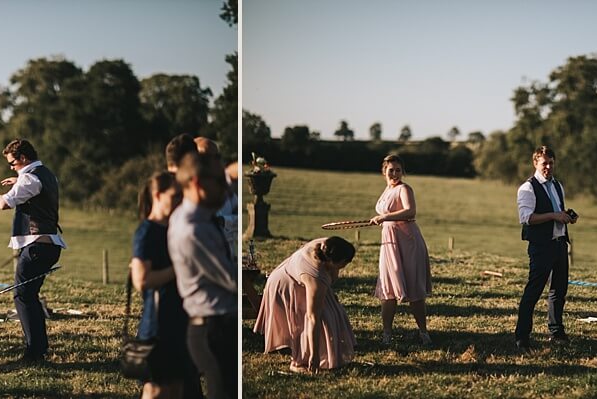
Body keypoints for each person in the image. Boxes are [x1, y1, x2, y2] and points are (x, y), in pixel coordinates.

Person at [0, 139, 66, 363]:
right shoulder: (45, 174)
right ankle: (38, 349)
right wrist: (18, 180)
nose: (11, 167)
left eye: (12, 163)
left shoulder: (29, 177)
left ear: (24, 158)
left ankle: (34, 353)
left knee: (23, 296)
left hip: (37, 246)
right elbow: (37, 189)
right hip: (47, 245)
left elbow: (4, 203)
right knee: (29, 296)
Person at [168, 152, 237, 399]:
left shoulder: (190, 215)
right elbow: (230, 279)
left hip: (210, 323)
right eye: (219, 181)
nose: (226, 189)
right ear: (198, 183)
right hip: (213, 327)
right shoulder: (194, 229)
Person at [128, 171, 202, 399]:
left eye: (183, 196)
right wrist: (179, 268)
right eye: (175, 196)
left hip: (182, 318)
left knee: (178, 389)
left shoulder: (176, 228)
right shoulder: (148, 231)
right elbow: (142, 281)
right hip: (159, 323)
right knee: (157, 390)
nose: (181, 201)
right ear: (158, 195)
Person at [253, 236, 356, 373]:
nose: (346, 265)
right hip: (284, 285)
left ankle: (333, 355)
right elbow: (313, 317)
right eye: (345, 263)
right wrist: (314, 356)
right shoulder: (315, 276)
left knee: (335, 310)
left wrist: (333, 275)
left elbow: (332, 274)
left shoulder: (325, 246)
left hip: (299, 276)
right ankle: (301, 361)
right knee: (317, 318)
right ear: (334, 261)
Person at [514, 146, 576, 350]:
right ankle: (522, 336)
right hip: (541, 246)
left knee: (559, 291)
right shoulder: (527, 188)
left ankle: (557, 332)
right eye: (544, 163)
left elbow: (557, 211)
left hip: (559, 244)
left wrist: (566, 215)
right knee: (533, 291)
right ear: (535, 163)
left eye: (551, 163)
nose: (548, 167)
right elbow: (526, 218)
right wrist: (553, 215)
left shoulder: (558, 185)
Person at [370, 154, 431, 345]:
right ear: (384, 171)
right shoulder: (387, 190)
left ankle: (423, 333)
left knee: (414, 288)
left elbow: (410, 211)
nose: (395, 174)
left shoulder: (404, 188)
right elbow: (387, 214)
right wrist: (382, 220)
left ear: (402, 172)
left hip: (408, 242)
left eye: (398, 170)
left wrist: (386, 217)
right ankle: (387, 334)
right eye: (391, 170)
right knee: (388, 287)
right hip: (390, 241)